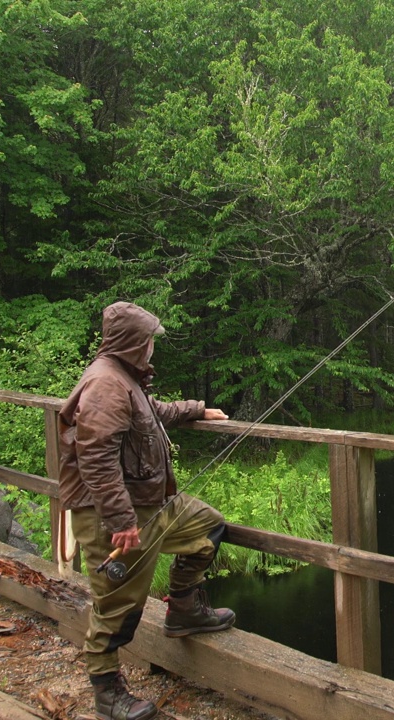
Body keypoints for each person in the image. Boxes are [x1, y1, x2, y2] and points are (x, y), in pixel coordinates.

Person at [58, 301, 235, 720]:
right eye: (148, 338)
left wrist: (196, 410)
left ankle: (184, 609)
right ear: (132, 342)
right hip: (114, 518)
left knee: (207, 528)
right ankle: (107, 694)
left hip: (151, 506)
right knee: (116, 606)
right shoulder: (105, 384)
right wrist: (120, 520)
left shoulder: (124, 379)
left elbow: (151, 415)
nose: (153, 345)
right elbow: (97, 457)